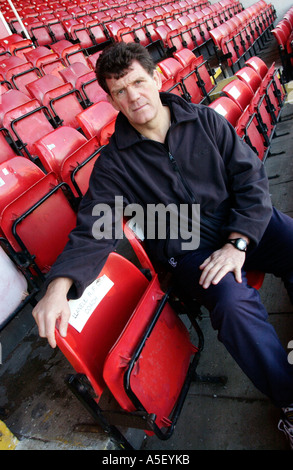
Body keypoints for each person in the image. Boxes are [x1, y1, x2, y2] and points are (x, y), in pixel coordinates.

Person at [32, 42, 293, 448]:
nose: (134, 96)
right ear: (111, 99)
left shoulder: (206, 120)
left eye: (138, 81)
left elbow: (250, 179)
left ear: (156, 77)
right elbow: (93, 229)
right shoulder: (113, 164)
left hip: (238, 223)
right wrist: (58, 287)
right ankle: (290, 401)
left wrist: (239, 242)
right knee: (232, 304)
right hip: (188, 247)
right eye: (120, 90)